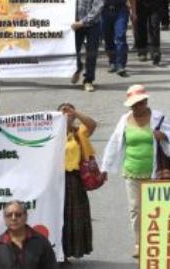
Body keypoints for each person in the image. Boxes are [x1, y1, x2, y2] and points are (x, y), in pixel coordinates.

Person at [102, 85, 170, 258]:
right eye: (133, 105)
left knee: (156, 209)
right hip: (132, 171)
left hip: (154, 172)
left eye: (139, 104)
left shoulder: (158, 118)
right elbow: (114, 142)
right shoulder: (124, 120)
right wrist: (104, 167)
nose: (136, 108)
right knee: (135, 209)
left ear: (145, 102)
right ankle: (139, 243)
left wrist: (162, 136)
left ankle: (157, 241)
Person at [59, 103, 97, 261]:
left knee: (74, 216)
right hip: (55, 179)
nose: (67, 114)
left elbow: (92, 124)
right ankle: (59, 253)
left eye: (69, 111)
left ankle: (72, 250)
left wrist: (76, 113)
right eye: (63, 111)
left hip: (74, 179)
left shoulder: (78, 132)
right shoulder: (50, 132)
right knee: (58, 216)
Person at [0, 200, 58, 268]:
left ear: (25, 216)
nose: (13, 218)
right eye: (9, 215)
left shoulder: (41, 243)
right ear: (4, 219)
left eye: (18, 214)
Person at [73, 0, 105, 91]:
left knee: (91, 54)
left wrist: (83, 22)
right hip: (75, 23)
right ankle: (78, 67)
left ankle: (88, 80)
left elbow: (96, 9)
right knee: (73, 51)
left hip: (92, 25)